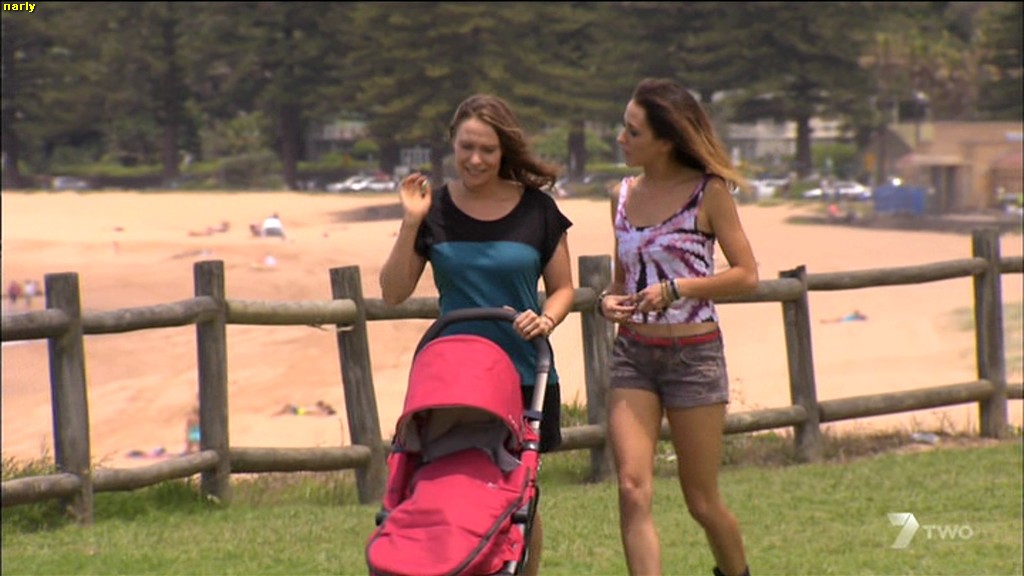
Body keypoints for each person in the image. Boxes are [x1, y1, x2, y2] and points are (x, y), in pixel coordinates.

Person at [378, 93, 575, 576]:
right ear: (452, 143)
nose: (475, 159)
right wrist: (411, 222)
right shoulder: (434, 210)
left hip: (524, 374)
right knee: (445, 485)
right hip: (453, 380)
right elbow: (393, 292)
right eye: (467, 147)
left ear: (504, 150)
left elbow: (563, 289)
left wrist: (546, 320)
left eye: (487, 149)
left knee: (520, 492)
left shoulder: (538, 210)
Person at [599, 78, 758, 576]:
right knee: (632, 488)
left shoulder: (709, 193)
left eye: (633, 131)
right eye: (623, 127)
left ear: (666, 140)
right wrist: (608, 302)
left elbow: (747, 275)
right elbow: (622, 279)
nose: (621, 139)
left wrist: (678, 289)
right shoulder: (620, 196)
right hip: (633, 356)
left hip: (694, 358)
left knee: (702, 501)